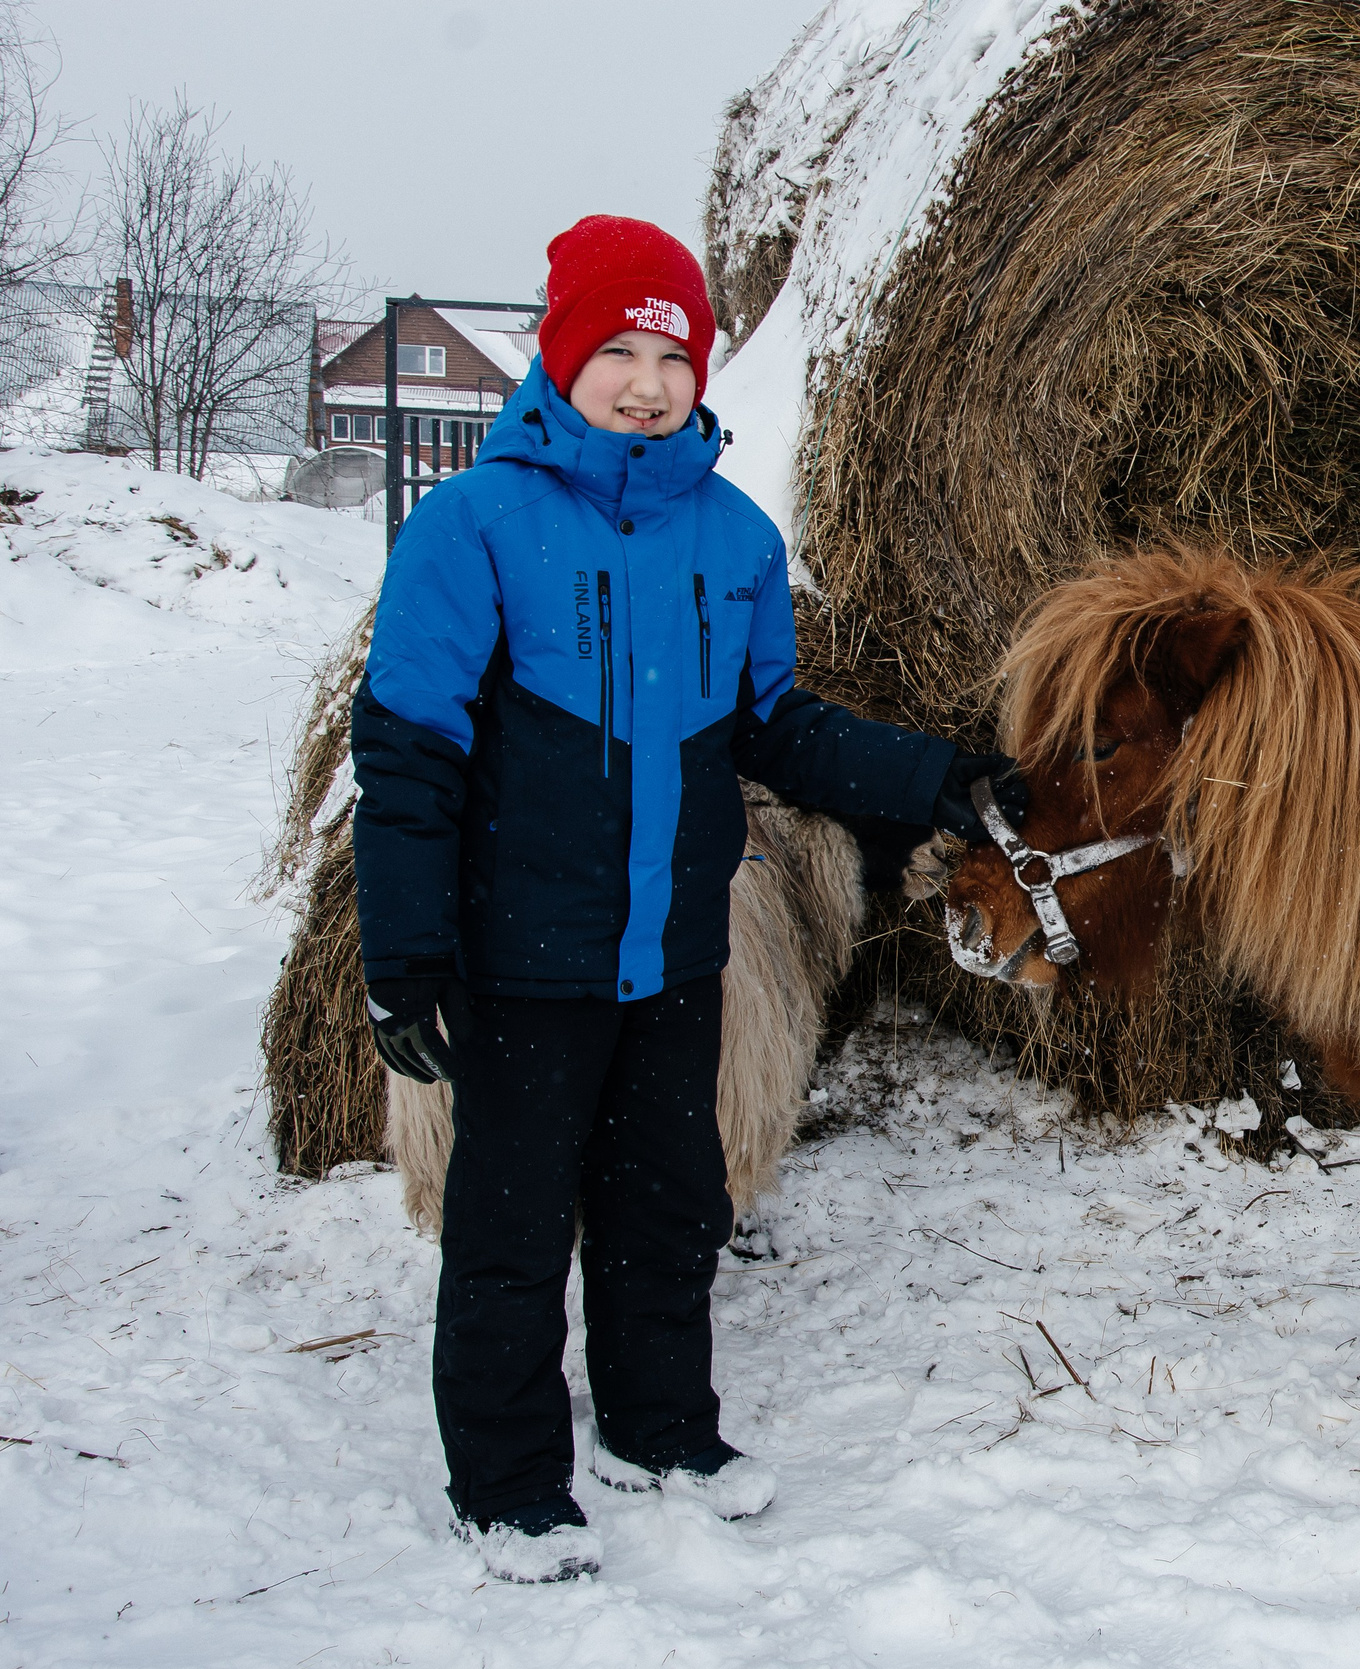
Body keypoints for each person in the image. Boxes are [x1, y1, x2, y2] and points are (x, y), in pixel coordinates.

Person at [351, 214, 1022, 1584]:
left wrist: (940, 779)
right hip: (522, 956)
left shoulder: (735, 538)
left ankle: (660, 1431)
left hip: (672, 952)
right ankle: (507, 1481)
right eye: (620, 351)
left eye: (674, 357)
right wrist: (404, 950)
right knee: (510, 1229)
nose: (649, 384)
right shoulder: (472, 529)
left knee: (669, 1207)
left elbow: (777, 727)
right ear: (562, 356)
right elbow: (408, 756)